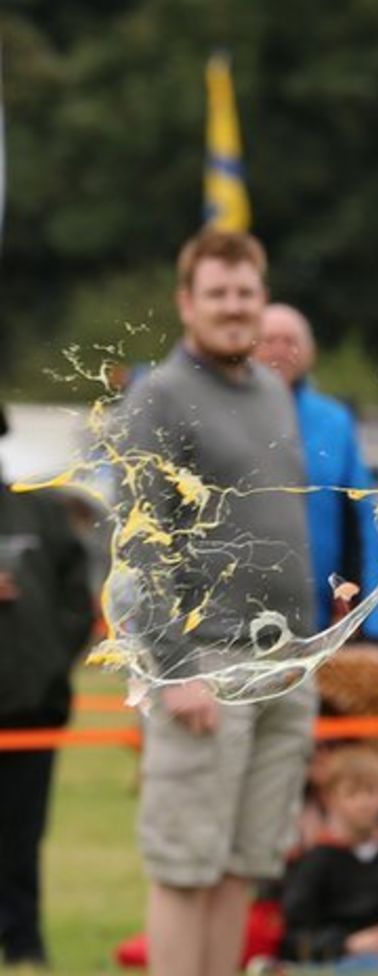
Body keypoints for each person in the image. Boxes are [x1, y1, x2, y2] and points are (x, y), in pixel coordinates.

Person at [120, 230, 318, 976]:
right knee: (186, 865)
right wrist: (177, 671)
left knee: (243, 862)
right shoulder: (158, 397)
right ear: (186, 303)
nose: (235, 308)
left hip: (286, 665)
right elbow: (140, 545)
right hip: (206, 663)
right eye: (218, 294)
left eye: (246, 293)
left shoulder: (271, 389)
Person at [0, 405, 93, 967]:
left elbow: (77, 603)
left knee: (22, 830)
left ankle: (24, 938)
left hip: (32, 707)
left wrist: (50, 665)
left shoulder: (39, 513)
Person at [255, 304, 378, 643]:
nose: (279, 350)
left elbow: (366, 519)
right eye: (268, 340)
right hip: (235, 613)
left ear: (310, 352)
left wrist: (375, 620)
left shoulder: (334, 421)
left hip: (317, 615)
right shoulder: (221, 415)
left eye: (290, 341)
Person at [277, 744, 378, 972]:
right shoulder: (316, 862)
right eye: (352, 793)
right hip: (341, 957)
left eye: (371, 791)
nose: (364, 803)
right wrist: (349, 944)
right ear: (330, 798)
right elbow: (294, 936)